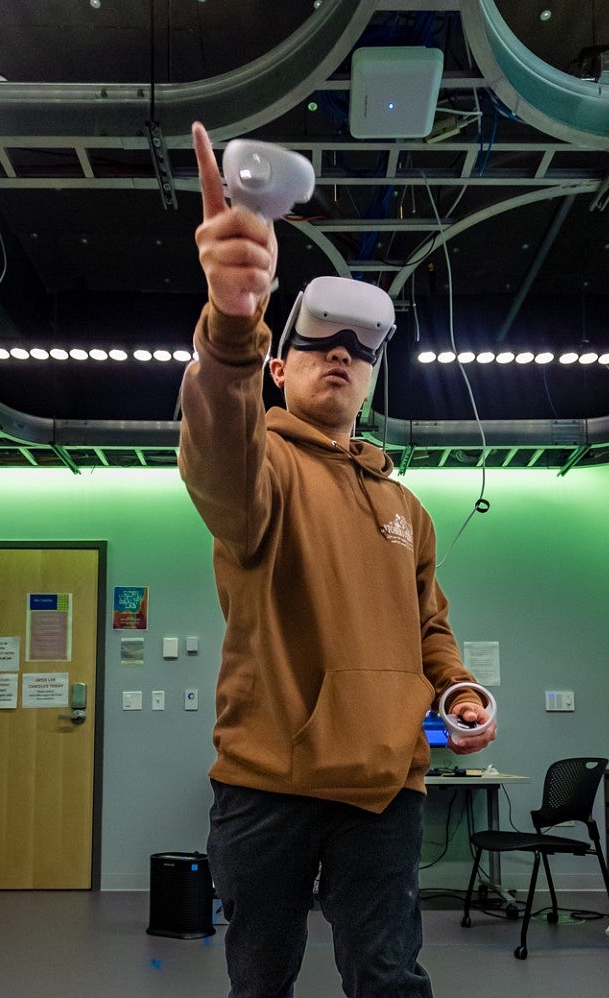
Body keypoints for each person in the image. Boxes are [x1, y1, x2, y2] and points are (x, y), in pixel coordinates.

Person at [178, 121, 497, 998]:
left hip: (385, 790)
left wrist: (458, 688)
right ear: (282, 369)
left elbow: (430, 627)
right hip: (266, 786)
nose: (342, 360)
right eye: (320, 344)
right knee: (263, 983)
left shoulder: (407, 507)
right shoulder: (265, 469)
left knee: (389, 978)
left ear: (371, 377)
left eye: (360, 351)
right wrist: (233, 322)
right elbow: (216, 453)